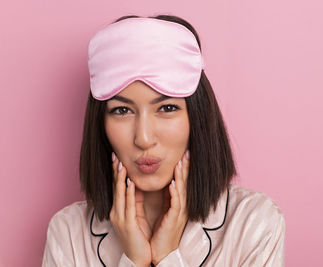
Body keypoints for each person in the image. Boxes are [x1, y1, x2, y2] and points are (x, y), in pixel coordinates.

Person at [42, 14, 285, 267]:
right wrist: (134, 260)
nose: (144, 138)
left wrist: (168, 256)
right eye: (122, 111)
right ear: (100, 125)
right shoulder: (68, 233)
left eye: (167, 108)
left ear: (197, 117)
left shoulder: (254, 223)